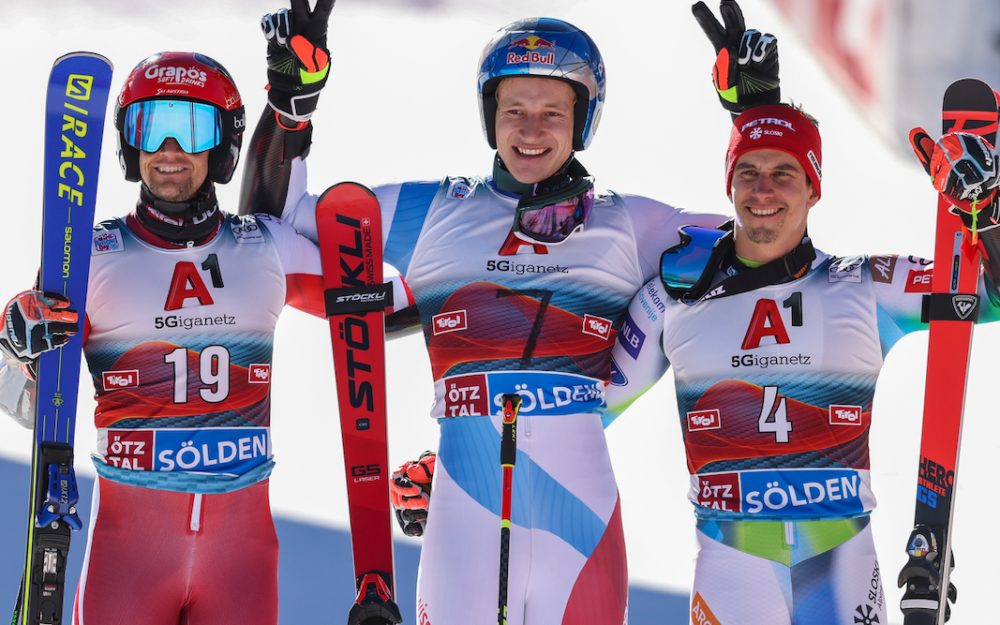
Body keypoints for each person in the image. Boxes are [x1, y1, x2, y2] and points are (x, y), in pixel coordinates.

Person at [237, 1, 781, 622]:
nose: (530, 129)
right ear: (489, 117)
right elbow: (266, 240)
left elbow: (765, 249)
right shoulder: (435, 211)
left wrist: (757, 118)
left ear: (584, 121)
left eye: (553, 112)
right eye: (513, 110)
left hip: (580, 528)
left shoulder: (629, 223)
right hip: (460, 524)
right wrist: (289, 109)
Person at [0, 50, 374, 625]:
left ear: (222, 146)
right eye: (150, 127)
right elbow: (26, 406)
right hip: (127, 559)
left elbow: (376, 313)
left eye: (191, 128)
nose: (168, 150)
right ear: (129, 143)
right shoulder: (90, 258)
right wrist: (12, 341)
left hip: (240, 561)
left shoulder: (266, 247)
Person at [603, 99, 1000, 623]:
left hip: (842, 563)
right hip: (732, 564)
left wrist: (986, 212)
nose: (763, 190)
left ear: (815, 188)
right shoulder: (669, 300)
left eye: (783, 173)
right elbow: (592, 407)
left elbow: (987, 294)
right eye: (749, 172)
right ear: (729, 185)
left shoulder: (865, 285)